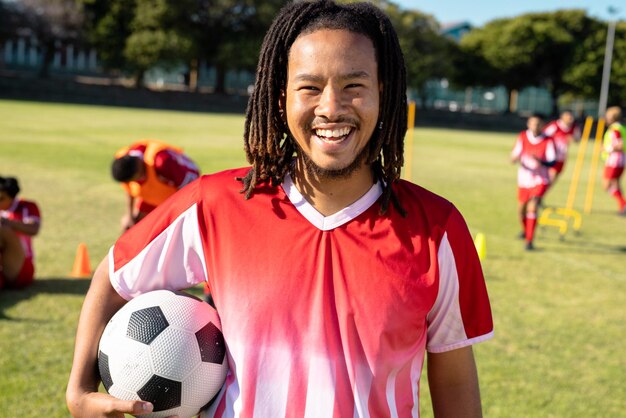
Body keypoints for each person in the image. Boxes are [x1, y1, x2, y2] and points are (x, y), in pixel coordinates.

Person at [67, 2, 494, 417]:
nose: (330, 107)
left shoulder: (437, 228)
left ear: (383, 94)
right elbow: (115, 274)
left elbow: (454, 376)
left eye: (354, 86)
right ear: (280, 97)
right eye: (310, 87)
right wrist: (80, 389)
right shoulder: (215, 203)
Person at [111, 139, 200, 230]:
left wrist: (176, 214)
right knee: (133, 227)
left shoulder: (162, 162)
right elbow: (129, 188)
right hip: (156, 190)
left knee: (173, 228)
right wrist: (129, 215)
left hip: (179, 189)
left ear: (139, 165)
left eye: (137, 178)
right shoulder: (122, 161)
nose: (136, 182)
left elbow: (188, 188)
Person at [511, 113, 556, 250]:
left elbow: (552, 161)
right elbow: (515, 154)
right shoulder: (523, 137)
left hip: (540, 179)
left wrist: (540, 162)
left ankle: (529, 241)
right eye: (533, 123)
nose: (535, 126)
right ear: (528, 124)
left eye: (538, 124)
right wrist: (513, 158)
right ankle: (526, 231)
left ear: (542, 125)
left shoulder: (548, 140)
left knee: (532, 206)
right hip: (524, 179)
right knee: (521, 210)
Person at [0, 176, 41, 291]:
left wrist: (7, 222)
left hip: (21, 267)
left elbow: (34, 229)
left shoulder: (26, 207)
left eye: (1, 198)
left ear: (11, 197)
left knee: (3, 231)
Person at [542, 110, 580, 184]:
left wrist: (573, 139)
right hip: (552, 156)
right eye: (568, 117)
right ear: (562, 117)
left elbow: (577, 139)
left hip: (562, 156)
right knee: (550, 177)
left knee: (554, 178)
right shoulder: (555, 125)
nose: (570, 119)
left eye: (571, 117)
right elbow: (543, 136)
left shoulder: (574, 128)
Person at [601, 106, 626, 214]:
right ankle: (623, 206)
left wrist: (606, 149)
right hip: (620, 160)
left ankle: (624, 204)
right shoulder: (622, 127)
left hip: (614, 161)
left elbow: (619, 145)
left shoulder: (615, 129)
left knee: (606, 185)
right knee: (615, 184)